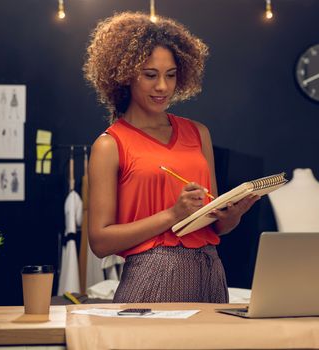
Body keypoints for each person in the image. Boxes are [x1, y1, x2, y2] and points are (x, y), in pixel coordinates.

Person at [84, 12, 259, 303]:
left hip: (211, 271)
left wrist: (233, 215)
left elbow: (215, 226)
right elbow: (100, 242)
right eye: (150, 75)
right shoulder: (110, 145)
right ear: (125, 75)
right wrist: (173, 214)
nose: (163, 87)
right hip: (151, 275)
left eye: (171, 74)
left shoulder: (198, 133)